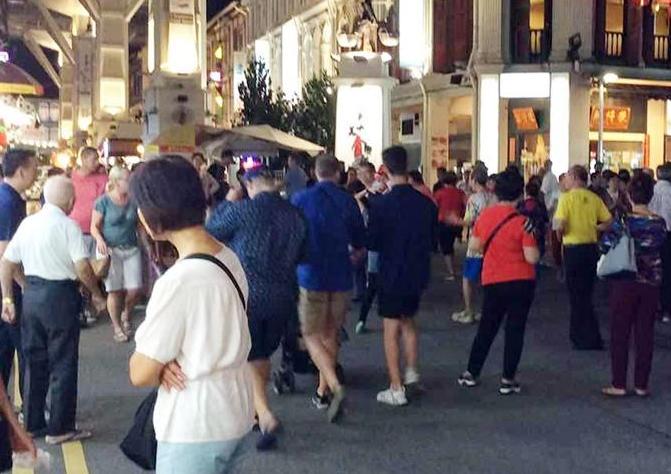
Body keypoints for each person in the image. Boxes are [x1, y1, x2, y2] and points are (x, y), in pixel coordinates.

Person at [129, 156, 254, 473]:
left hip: (194, 424)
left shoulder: (179, 281)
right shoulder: (228, 257)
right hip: (236, 410)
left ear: (150, 217)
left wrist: (160, 366)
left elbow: (140, 372)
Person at [206, 165, 307, 449]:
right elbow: (304, 254)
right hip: (283, 295)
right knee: (260, 353)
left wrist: (227, 202)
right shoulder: (295, 214)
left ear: (249, 185)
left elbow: (210, 231)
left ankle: (264, 414)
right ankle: (255, 411)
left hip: (248, 293)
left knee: (247, 354)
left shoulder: (243, 210)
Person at [0, 176, 106, 445]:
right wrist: (97, 294)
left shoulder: (28, 223)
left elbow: (7, 262)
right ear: (70, 201)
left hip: (32, 297)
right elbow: (82, 268)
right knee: (63, 362)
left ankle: (33, 424)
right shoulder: (68, 226)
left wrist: (9, 298)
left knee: (34, 361)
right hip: (60, 297)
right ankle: (60, 428)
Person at [290, 154, 366, 423]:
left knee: (310, 334)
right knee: (331, 333)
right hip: (342, 276)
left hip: (311, 275)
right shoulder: (348, 200)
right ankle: (322, 392)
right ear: (338, 173)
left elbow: (292, 235)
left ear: (315, 172)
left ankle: (334, 385)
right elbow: (360, 239)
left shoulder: (300, 199)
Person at [457, 169, 539, 395]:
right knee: (515, 330)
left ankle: (471, 372)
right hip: (522, 281)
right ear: (520, 194)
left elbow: (474, 246)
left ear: (496, 192)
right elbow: (532, 257)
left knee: (487, 327)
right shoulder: (524, 222)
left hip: (493, 279)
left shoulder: (485, 217)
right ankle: (508, 379)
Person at [368, 146, 437, 406]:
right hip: (417, 272)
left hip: (391, 273)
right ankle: (412, 373)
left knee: (390, 328)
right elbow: (432, 240)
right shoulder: (425, 204)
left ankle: (396, 387)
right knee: (409, 321)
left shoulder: (381, 205)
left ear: (385, 169)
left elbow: (373, 243)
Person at [601, 173, 666, 397]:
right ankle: (641, 384)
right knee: (645, 333)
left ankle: (619, 383)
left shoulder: (623, 222)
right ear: (651, 196)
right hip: (651, 281)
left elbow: (605, 245)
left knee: (620, 332)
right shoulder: (659, 223)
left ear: (629, 195)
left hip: (625, 280)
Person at [554, 165, 613, 350]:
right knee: (587, 293)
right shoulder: (594, 198)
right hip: (590, 249)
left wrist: (559, 235)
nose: (565, 180)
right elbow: (609, 221)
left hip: (573, 250)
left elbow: (560, 226)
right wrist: (596, 229)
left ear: (573, 177)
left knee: (575, 295)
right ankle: (590, 335)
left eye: (567, 176)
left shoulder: (565, 199)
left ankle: (580, 336)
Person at [0, 149, 38, 399]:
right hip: (9, 288)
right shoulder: (8, 203)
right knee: (25, 349)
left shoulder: (10, 198)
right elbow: (5, 255)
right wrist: (19, 287)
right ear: (22, 171)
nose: (36, 173)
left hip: (8, 286)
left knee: (6, 350)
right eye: (34, 168)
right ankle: (28, 406)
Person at [90, 166, 143, 343]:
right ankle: (117, 326)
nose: (130, 183)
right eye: (127, 180)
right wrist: (99, 240)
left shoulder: (133, 200)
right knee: (114, 290)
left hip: (131, 248)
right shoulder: (103, 202)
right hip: (111, 250)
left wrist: (149, 247)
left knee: (135, 289)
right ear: (116, 182)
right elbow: (94, 226)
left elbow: (139, 226)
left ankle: (126, 313)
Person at [449, 167, 493, 324]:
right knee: (488, 279)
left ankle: (469, 311)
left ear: (474, 180)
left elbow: (469, 221)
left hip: (477, 241)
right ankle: (487, 311)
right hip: (492, 241)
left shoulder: (474, 199)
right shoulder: (493, 197)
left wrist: (455, 220)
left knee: (467, 278)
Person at [70, 147, 107, 326]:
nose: (97, 162)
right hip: (75, 232)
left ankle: (87, 306)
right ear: (83, 159)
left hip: (96, 231)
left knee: (94, 271)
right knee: (78, 272)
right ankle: (79, 308)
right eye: (93, 159)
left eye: (97, 159)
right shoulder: (70, 178)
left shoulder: (102, 179)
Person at [434, 171, 466, 280]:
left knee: (446, 248)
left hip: (444, 222)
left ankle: (451, 272)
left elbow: (434, 206)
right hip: (457, 222)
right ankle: (453, 267)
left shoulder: (439, 193)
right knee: (451, 245)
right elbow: (465, 205)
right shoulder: (460, 193)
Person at [650, 163, 671, 323]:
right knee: (667, 271)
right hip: (668, 235)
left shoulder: (651, 191)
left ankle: (654, 306)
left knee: (653, 270)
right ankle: (666, 309)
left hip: (651, 232)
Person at [519, 179, 549, 259]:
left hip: (523, 238)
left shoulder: (520, 206)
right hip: (539, 238)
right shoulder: (541, 206)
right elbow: (546, 221)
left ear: (526, 192)